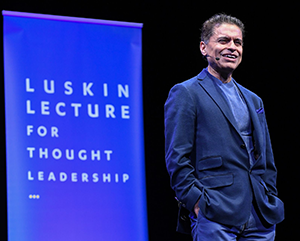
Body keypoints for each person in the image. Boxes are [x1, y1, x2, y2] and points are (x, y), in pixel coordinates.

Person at [164, 13, 284, 241]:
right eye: (223, 40)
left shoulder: (254, 99)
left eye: (237, 42)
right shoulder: (186, 93)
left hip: (260, 215)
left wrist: (269, 194)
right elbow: (176, 158)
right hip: (215, 212)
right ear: (203, 47)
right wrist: (196, 202)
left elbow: (266, 158)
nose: (232, 47)